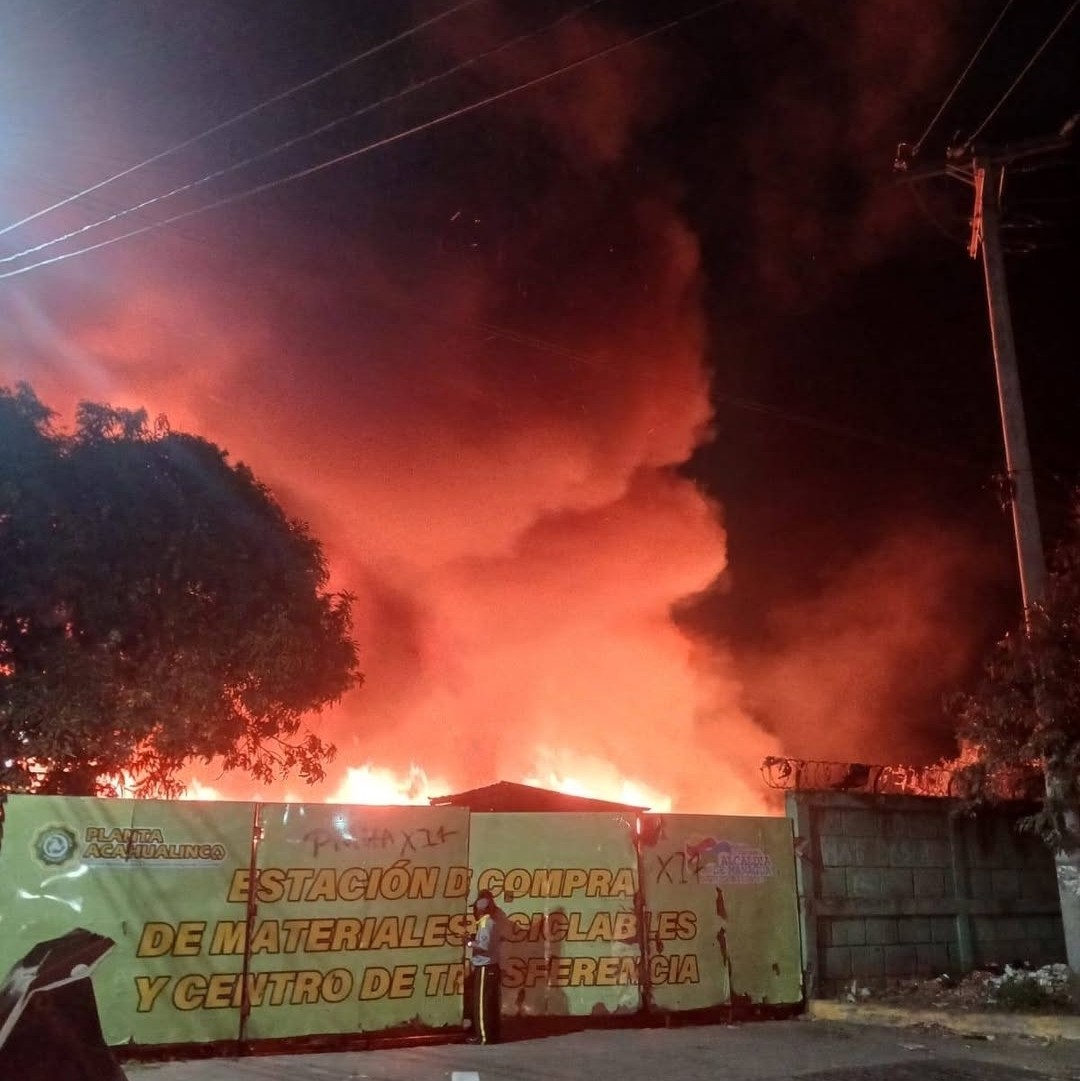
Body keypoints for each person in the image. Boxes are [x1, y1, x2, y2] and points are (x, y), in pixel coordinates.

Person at [465, 888, 502, 1044]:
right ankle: (491, 1035)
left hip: (485, 967)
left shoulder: (486, 923)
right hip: (492, 967)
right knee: (490, 1004)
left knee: (482, 1006)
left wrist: (468, 942)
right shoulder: (491, 922)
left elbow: (483, 946)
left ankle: (483, 1037)